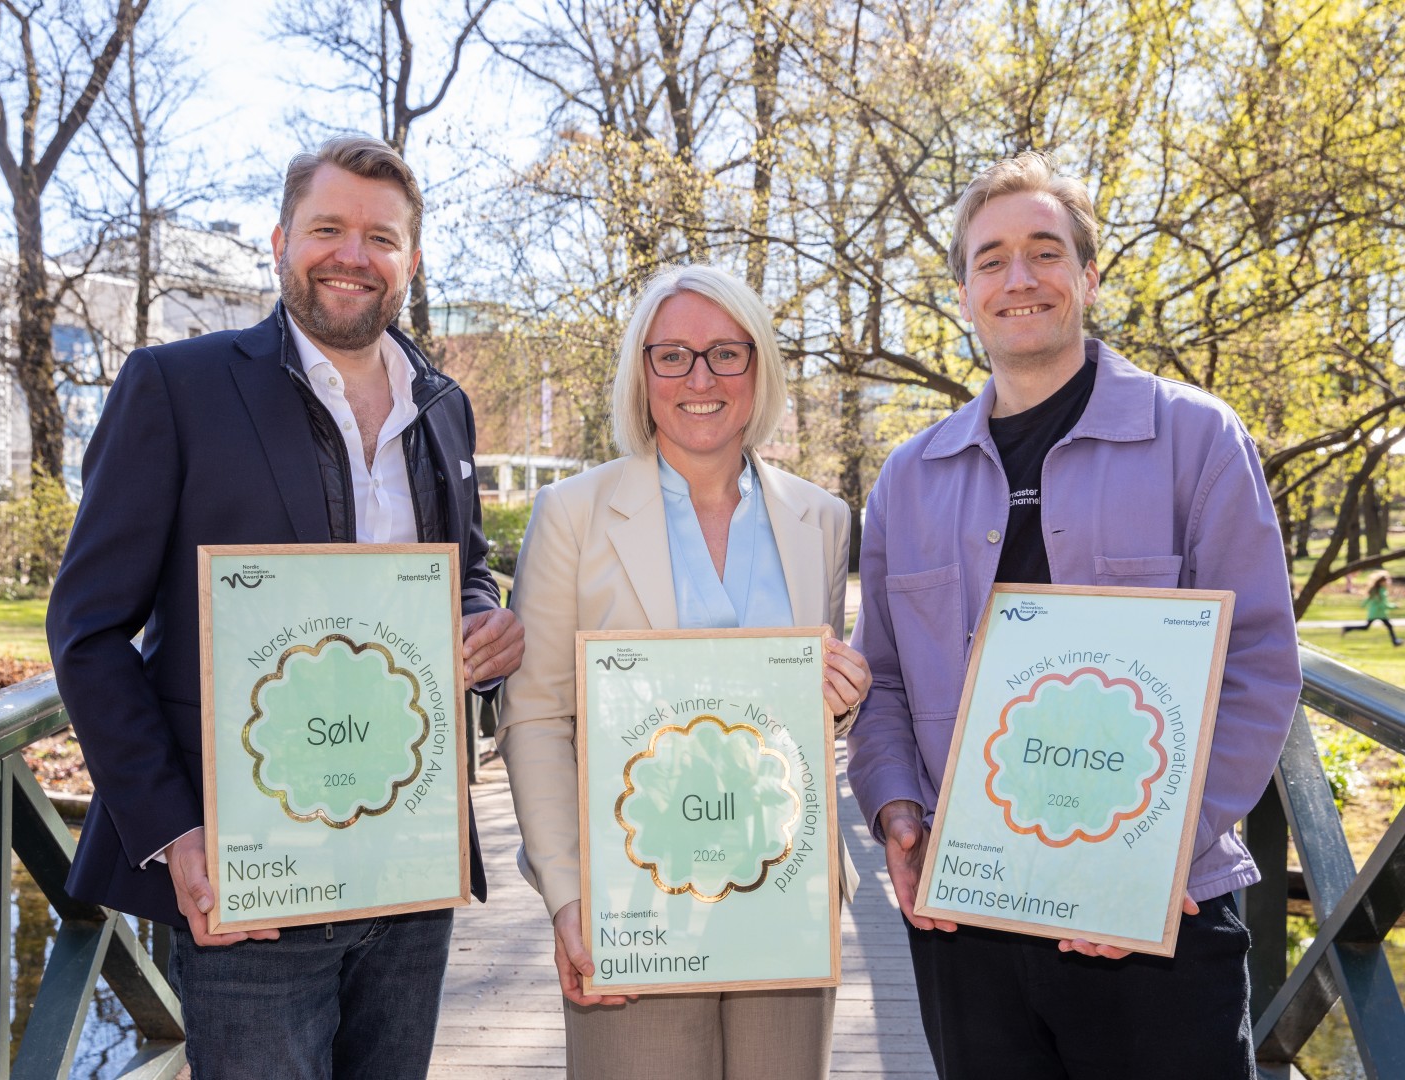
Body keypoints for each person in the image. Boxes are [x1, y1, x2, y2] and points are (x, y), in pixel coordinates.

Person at [46, 136, 523, 1080]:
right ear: (280, 241)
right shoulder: (176, 387)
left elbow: (462, 565)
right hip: (248, 868)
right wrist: (175, 834)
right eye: (328, 228)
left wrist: (484, 614)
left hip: (409, 861)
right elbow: (88, 631)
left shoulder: (445, 404)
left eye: (380, 237)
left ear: (411, 261)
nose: (353, 254)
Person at [846, 151, 1301, 1079]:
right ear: (965, 296)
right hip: (968, 923)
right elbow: (883, 677)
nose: (1019, 278)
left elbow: (1258, 666)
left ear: (1089, 278)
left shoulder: (1197, 439)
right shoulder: (907, 479)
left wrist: (1151, 857)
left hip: (1162, 919)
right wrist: (895, 809)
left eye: (1046, 252)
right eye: (990, 259)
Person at [496, 264, 870, 1080]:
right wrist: (569, 898)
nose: (700, 378)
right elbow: (534, 716)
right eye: (673, 355)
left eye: (725, 354)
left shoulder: (822, 519)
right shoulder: (573, 514)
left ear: (759, 367)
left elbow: (802, 714)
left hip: (785, 889)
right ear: (642, 372)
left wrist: (837, 704)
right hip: (629, 899)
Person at [1342, 570, 1400, 645]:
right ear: (1381, 582)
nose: (1388, 583)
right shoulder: (1381, 592)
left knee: (1386, 626)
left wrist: (1363, 605)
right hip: (1379, 613)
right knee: (1368, 627)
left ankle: (1395, 641)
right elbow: (1383, 605)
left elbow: (1368, 599)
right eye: (1386, 581)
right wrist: (1394, 606)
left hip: (1375, 613)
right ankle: (1347, 628)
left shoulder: (1376, 590)